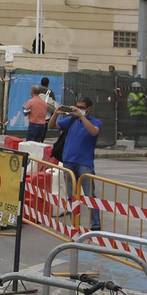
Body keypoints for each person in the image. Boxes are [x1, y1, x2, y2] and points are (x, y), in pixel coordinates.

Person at [55, 98, 103, 231]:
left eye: (81, 107)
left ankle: (95, 225)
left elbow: (94, 131)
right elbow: (52, 126)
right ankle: (75, 223)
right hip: (69, 162)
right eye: (76, 106)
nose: (77, 109)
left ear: (89, 109)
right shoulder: (71, 121)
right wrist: (56, 113)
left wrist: (82, 116)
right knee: (71, 195)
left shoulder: (95, 122)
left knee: (90, 195)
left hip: (85, 164)